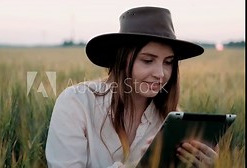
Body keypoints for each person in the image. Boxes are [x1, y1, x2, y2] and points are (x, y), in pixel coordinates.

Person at [45, 6, 219, 168]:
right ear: (121, 60)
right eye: (148, 60)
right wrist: (138, 164)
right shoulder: (76, 103)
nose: (161, 73)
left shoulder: (172, 121)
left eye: (168, 62)